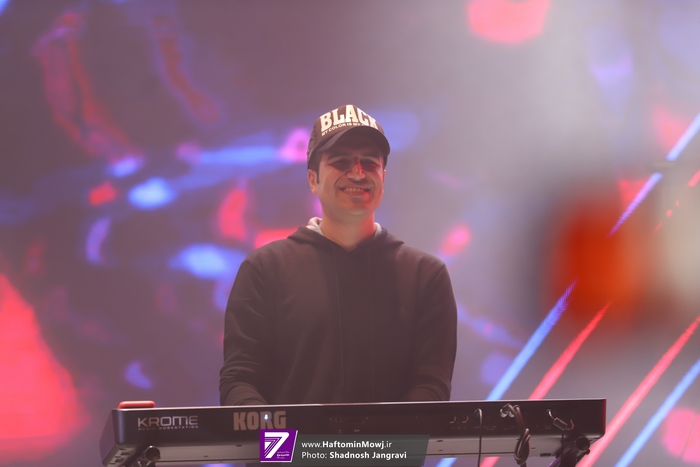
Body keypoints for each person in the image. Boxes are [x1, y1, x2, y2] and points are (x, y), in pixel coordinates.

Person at [219, 104, 457, 406]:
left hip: (389, 441)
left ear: (383, 178)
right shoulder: (264, 269)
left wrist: (383, 438)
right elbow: (240, 381)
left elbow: (432, 387)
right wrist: (289, 439)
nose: (357, 173)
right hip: (291, 441)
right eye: (341, 162)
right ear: (313, 180)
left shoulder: (426, 275)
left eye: (369, 163)